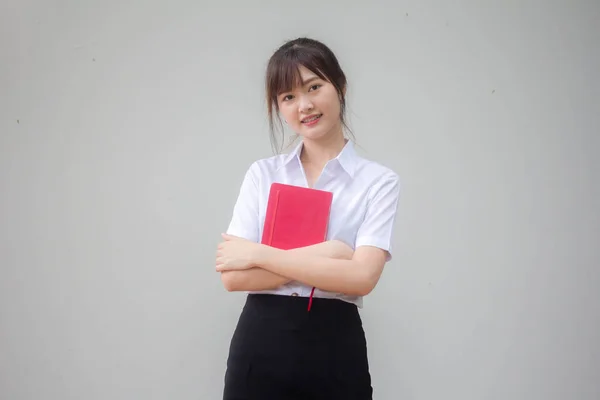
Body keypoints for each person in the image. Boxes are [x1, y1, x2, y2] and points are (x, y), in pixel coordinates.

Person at [215, 37, 401, 400]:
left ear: (340, 86)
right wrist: (331, 254)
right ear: (278, 107)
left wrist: (259, 254)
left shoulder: (378, 181)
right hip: (260, 341)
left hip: (334, 345)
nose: (305, 105)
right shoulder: (263, 175)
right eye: (288, 97)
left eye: (314, 87)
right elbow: (234, 277)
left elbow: (362, 277)